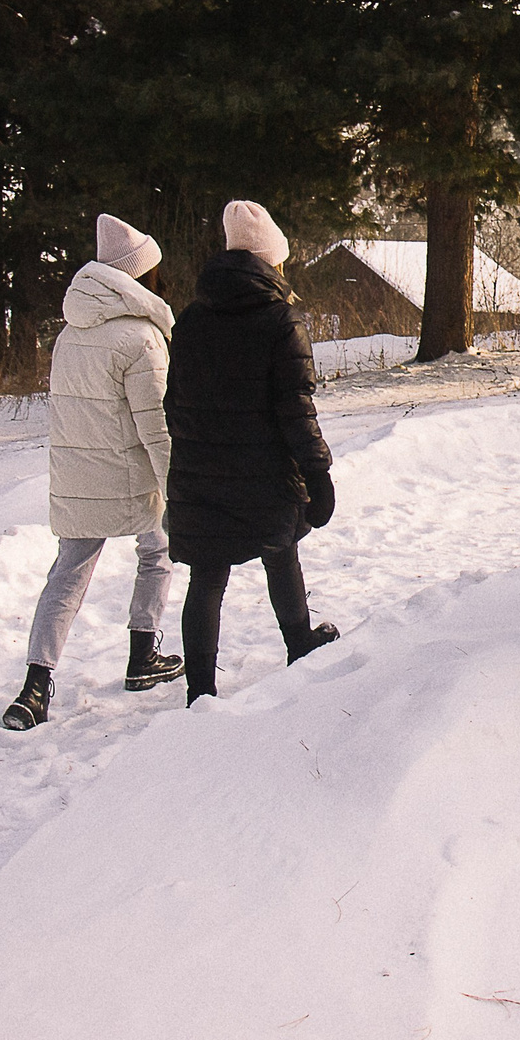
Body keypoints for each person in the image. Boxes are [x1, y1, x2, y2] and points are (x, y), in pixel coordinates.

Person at [1, 215, 185, 731]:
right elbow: (156, 428)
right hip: (133, 475)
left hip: (78, 476)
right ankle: (142, 657)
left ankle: (35, 688)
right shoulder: (143, 338)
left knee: (67, 576)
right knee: (157, 553)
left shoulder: (69, 333)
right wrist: (177, 487)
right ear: (141, 276)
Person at [163, 200, 341, 704]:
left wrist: (198, 450)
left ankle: (200, 691)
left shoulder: (192, 318)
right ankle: (299, 645)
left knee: (207, 577)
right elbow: (296, 410)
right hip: (266, 472)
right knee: (282, 555)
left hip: (201, 471)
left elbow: (172, 401)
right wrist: (319, 475)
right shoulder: (281, 320)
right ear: (271, 260)